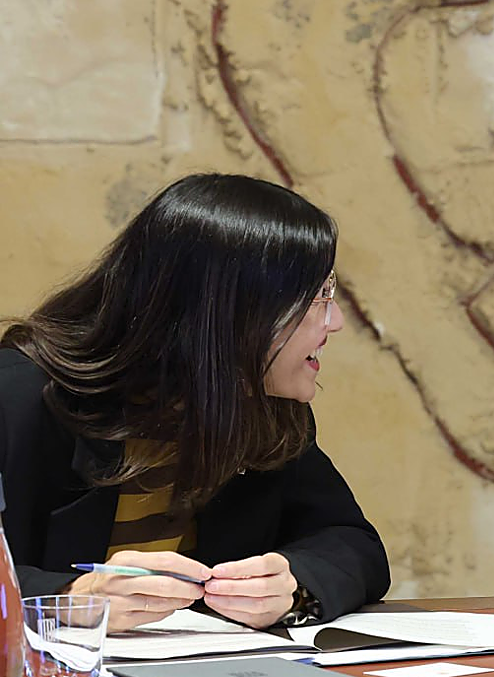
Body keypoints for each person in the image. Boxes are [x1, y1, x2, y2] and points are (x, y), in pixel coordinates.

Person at [0, 173, 390, 632]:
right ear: (232, 313)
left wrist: (292, 586)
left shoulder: (261, 404)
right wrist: (72, 597)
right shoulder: (22, 397)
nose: (337, 321)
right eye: (320, 296)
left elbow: (351, 542)